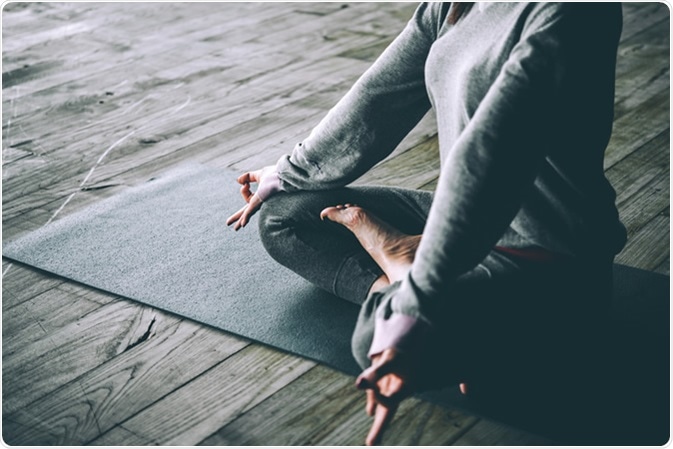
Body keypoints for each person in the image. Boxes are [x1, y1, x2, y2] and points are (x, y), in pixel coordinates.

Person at [227, 2, 626, 445]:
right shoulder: (452, 6)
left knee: (372, 343)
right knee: (285, 218)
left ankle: (408, 273)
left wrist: (413, 310)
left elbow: (489, 156)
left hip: (546, 253)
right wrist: (285, 173)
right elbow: (378, 98)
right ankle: (407, 277)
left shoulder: (572, 13)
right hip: (456, 214)